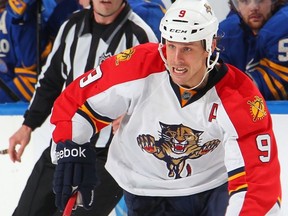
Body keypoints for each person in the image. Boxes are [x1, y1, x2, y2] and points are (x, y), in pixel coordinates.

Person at [49, 0, 282, 215]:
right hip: (143, 189)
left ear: (209, 46)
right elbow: (76, 101)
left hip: (213, 188)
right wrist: (72, 148)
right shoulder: (138, 65)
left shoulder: (240, 97)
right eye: (171, 47)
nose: (176, 60)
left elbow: (257, 183)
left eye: (188, 48)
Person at [8, 0, 158, 215]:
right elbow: (50, 79)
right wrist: (27, 125)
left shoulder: (140, 35)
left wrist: (133, 114)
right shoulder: (71, 25)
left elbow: (159, 92)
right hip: (64, 147)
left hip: (109, 158)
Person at [218, 0, 288, 100]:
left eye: (261, 0)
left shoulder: (282, 25)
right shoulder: (226, 34)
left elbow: (281, 83)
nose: (253, 7)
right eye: (244, 1)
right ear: (236, 5)